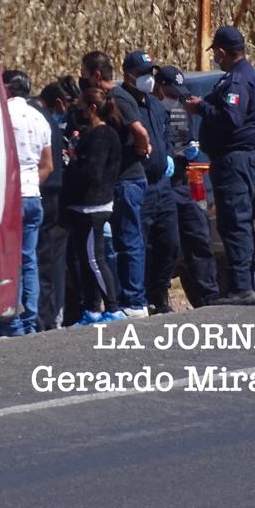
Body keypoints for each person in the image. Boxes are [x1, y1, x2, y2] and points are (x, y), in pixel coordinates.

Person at [185, 26, 255, 304]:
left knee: (235, 221)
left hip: (235, 160)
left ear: (222, 51)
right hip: (236, 159)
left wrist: (201, 108)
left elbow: (232, 118)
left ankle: (241, 285)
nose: (215, 58)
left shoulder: (237, 80)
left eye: (216, 53)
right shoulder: (239, 76)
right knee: (238, 220)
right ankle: (244, 281)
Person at [79, 51, 152, 317]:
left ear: (97, 75)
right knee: (124, 240)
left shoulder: (119, 98)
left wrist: (143, 150)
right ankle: (130, 298)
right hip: (123, 180)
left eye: (86, 75)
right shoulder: (117, 97)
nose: (83, 80)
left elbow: (140, 131)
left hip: (127, 179)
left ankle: (134, 301)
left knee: (128, 240)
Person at [153, 65, 221, 307]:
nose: (176, 98)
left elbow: (185, 143)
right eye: (172, 93)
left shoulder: (180, 111)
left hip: (181, 185)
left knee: (198, 238)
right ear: (159, 89)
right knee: (165, 246)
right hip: (159, 187)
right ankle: (158, 297)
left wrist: (188, 150)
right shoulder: (150, 112)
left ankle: (209, 296)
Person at [121, 50, 179, 315]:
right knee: (139, 244)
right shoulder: (124, 103)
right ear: (129, 75)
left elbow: (165, 134)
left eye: (150, 73)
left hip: (162, 185)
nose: (148, 78)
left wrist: (167, 153)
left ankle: (160, 292)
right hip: (140, 183)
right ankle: (141, 296)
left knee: (169, 242)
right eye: (142, 73)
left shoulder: (154, 104)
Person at [62, 88, 127, 325]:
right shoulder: (98, 134)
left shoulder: (101, 135)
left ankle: (112, 306)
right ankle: (92, 308)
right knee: (85, 258)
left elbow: (93, 171)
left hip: (93, 207)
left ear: (91, 108)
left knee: (94, 259)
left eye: (81, 107)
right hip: (85, 207)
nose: (78, 112)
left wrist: (72, 160)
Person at [0, 70, 53, 336]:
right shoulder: (39, 118)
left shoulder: (1, 115)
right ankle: (29, 319)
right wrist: (30, 185)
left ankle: (11, 320)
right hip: (33, 195)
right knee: (28, 259)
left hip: (10, 197)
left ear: (7, 88)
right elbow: (48, 165)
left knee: (9, 261)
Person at [32, 81, 73, 330]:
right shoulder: (47, 122)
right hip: (51, 196)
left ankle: (46, 315)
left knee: (43, 260)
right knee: (48, 261)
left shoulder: (42, 120)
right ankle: (49, 316)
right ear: (58, 102)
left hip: (46, 196)